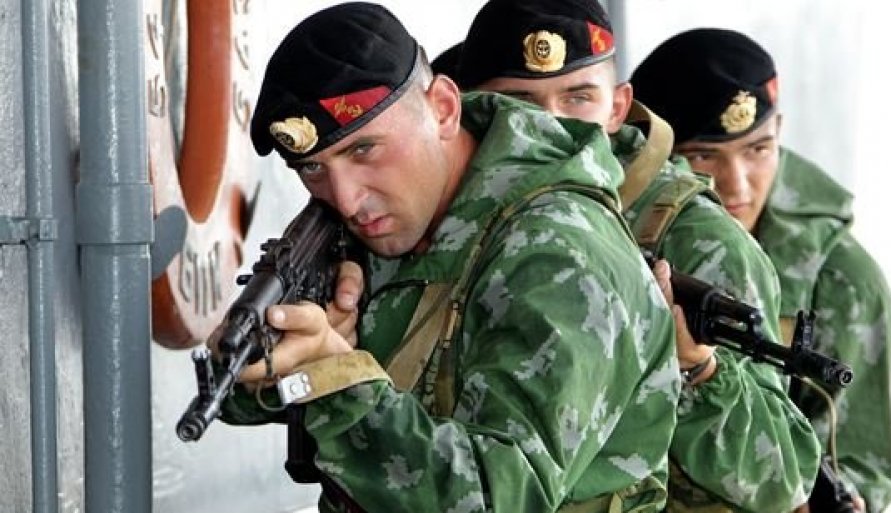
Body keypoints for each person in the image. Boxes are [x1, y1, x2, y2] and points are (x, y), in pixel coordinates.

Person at [214, 3, 683, 512]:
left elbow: (497, 496)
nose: (346, 199)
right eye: (312, 168)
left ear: (442, 108)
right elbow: (246, 403)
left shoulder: (560, 252)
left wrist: (334, 377)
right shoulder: (385, 219)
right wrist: (275, 356)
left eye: (364, 150)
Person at [450, 1, 823, 511]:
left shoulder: (698, 240)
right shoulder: (442, 208)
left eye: (578, 98)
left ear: (617, 107)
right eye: (521, 104)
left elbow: (779, 478)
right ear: (466, 109)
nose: (552, 128)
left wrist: (698, 371)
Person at [632, 27, 891, 512]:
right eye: (703, 156)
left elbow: (862, 462)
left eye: (758, 149)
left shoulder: (841, 279)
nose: (737, 184)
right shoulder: (617, 234)